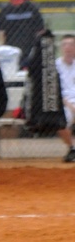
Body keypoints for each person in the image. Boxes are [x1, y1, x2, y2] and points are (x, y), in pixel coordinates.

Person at [0, 0, 44, 66]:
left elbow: (40, 29)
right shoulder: (5, 10)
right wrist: (3, 48)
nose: (17, 5)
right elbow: (0, 31)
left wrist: (37, 47)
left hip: (30, 47)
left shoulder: (32, 9)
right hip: (11, 49)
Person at [54, 35, 75, 163]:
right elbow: (53, 91)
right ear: (61, 48)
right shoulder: (55, 66)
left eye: (71, 44)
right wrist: (69, 105)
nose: (68, 47)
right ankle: (72, 149)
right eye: (65, 44)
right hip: (64, 102)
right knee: (60, 121)